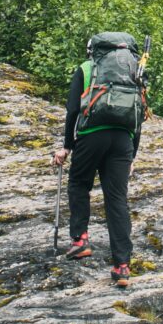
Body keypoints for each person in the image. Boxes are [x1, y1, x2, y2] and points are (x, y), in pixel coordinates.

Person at [53, 33, 144, 289]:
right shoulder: (133, 70)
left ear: (93, 50)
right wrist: (132, 154)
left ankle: (80, 240)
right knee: (117, 198)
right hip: (123, 139)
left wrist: (66, 147)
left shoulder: (86, 68)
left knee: (79, 184)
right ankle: (122, 266)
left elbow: (73, 110)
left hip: (91, 135)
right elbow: (138, 113)